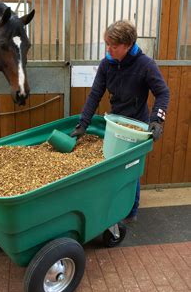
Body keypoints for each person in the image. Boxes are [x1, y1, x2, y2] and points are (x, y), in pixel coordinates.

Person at [71, 20, 170, 222]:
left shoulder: (145, 65)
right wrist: (83, 123)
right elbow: (95, 94)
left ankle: (130, 212)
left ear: (128, 45)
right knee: (114, 168)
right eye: (107, 44)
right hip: (115, 123)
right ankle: (113, 208)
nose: (108, 49)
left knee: (131, 170)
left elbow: (163, 93)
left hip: (137, 126)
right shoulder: (107, 63)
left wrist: (157, 120)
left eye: (113, 46)